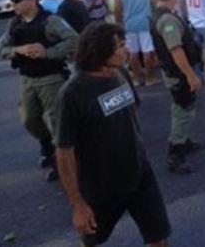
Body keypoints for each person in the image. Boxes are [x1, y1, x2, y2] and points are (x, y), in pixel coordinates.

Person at [55, 22, 171, 246]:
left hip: (139, 175)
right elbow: (64, 152)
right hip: (102, 187)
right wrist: (78, 205)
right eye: (119, 46)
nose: (126, 49)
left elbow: (131, 113)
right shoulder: (72, 94)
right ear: (99, 51)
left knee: (158, 237)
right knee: (92, 241)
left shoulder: (120, 73)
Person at [0, 0, 78, 181]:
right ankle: (48, 145)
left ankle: (64, 166)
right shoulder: (15, 24)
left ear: (32, 0)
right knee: (29, 119)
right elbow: (2, 48)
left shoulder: (50, 21)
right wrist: (17, 50)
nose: (13, 4)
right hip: (27, 79)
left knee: (56, 124)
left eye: (18, 0)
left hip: (51, 78)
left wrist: (48, 52)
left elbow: (74, 40)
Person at [151, 0, 202, 173]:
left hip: (174, 71)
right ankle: (176, 153)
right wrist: (190, 75)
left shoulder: (161, 15)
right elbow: (176, 50)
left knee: (181, 106)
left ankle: (183, 140)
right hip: (178, 73)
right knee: (183, 108)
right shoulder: (167, 20)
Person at [114, 0, 158, 86]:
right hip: (145, 22)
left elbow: (117, 8)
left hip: (128, 24)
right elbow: (154, 1)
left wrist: (119, 23)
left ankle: (137, 79)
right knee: (147, 50)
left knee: (133, 52)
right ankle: (150, 78)